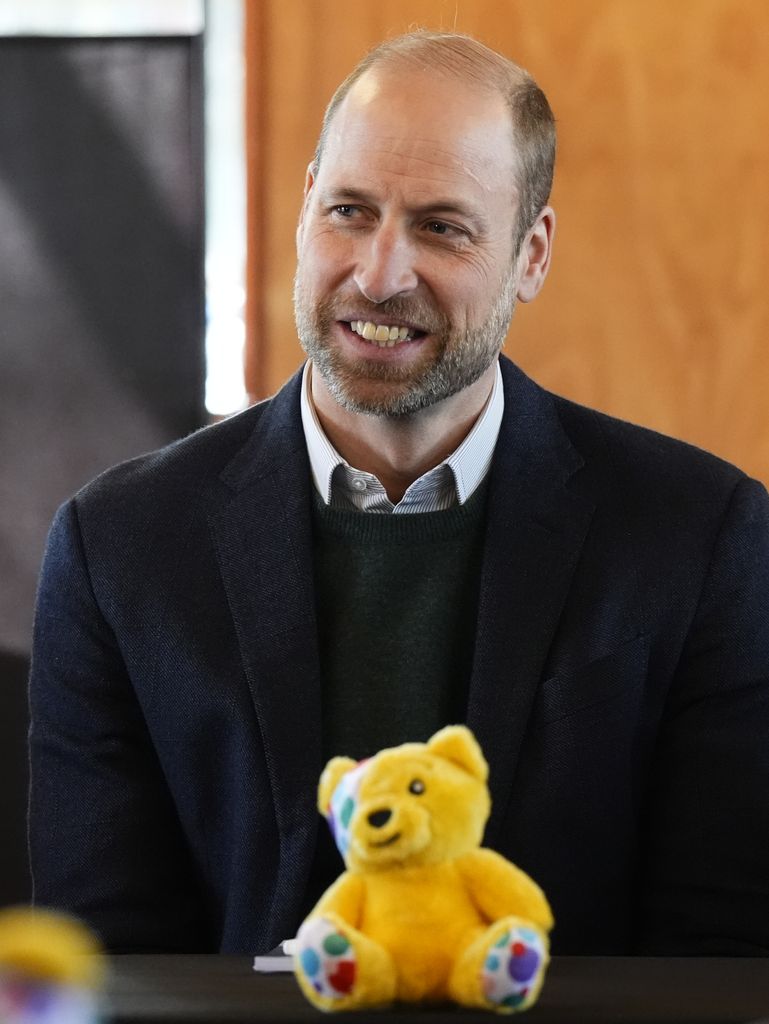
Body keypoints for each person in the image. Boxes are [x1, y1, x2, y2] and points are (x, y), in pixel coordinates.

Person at [29, 31, 769, 957]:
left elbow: (721, 963)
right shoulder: (119, 548)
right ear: (304, 212)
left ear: (530, 255)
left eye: (441, 226)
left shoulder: (703, 539)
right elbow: (107, 962)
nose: (380, 275)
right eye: (349, 211)